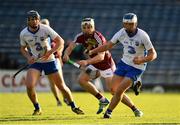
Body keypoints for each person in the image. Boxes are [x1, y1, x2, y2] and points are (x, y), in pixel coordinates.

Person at [63, 18, 141, 115]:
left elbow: (101, 57)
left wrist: (86, 62)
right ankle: (102, 99)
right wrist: (66, 54)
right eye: (85, 27)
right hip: (94, 65)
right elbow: (70, 47)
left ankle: (135, 109)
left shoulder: (99, 37)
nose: (87, 29)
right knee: (81, 80)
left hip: (106, 65)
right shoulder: (80, 36)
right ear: (82, 28)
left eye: (90, 27)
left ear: (93, 27)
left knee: (114, 91)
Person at [89, 13, 157, 118]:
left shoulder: (143, 35)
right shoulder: (121, 32)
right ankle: (135, 109)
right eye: (126, 24)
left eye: (131, 24)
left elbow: (153, 54)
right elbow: (108, 45)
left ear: (136, 24)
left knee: (120, 90)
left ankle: (108, 113)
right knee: (113, 90)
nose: (128, 26)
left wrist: (142, 59)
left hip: (137, 67)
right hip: (124, 63)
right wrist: (93, 50)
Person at [19, 10, 84, 115]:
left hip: (50, 61)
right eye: (31, 19)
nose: (33, 21)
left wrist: (50, 52)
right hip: (36, 62)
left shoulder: (45, 28)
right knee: (29, 85)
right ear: (28, 21)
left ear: (38, 20)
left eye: (35, 19)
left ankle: (73, 106)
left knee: (61, 86)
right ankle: (37, 108)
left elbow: (60, 41)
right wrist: (28, 56)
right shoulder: (23, 33)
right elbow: (23, 49)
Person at [40, 18, 69, 106]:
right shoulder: (40, 37)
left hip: (56, 60)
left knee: (60, 82)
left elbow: (62, 44)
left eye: (46, 24)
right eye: (43, 24)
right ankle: (58, 99)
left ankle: (65, 97)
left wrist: (59, 51)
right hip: (47, 61)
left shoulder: (52, 35)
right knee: (52, 82)